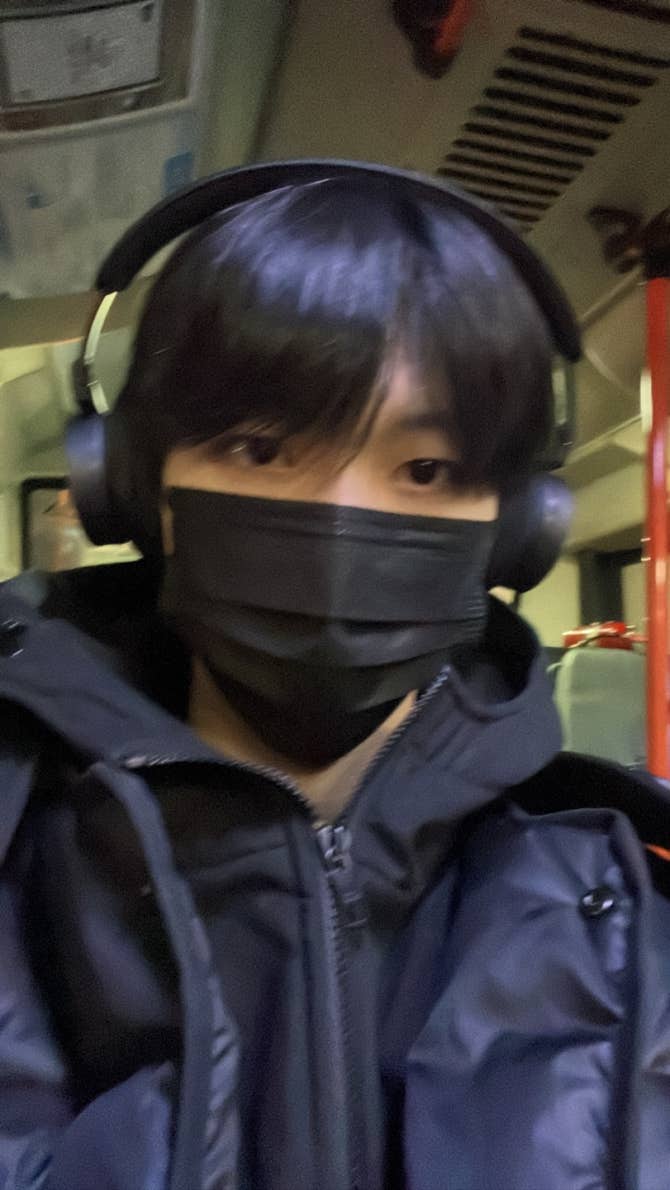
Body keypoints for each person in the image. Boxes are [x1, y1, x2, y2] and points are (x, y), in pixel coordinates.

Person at [0, 163, 669, 1190]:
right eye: (261, 447)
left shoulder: (632, 914)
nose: (341, 521)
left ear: (515, 533)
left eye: (427, 469)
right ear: (133, 487)